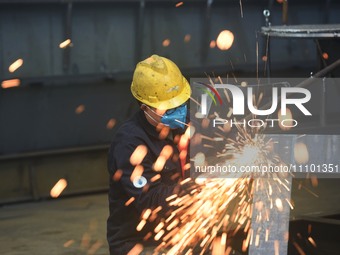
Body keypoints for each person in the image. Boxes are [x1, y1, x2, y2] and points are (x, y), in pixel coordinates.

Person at [107, 55, 191, 255]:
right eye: (168, 107)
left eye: (179, 104)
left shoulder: (184, 125)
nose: (177, 111)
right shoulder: (129, 144)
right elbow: (150, 200)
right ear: (145, 107)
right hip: (139, 243)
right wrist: (195, 189)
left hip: (180, 231)